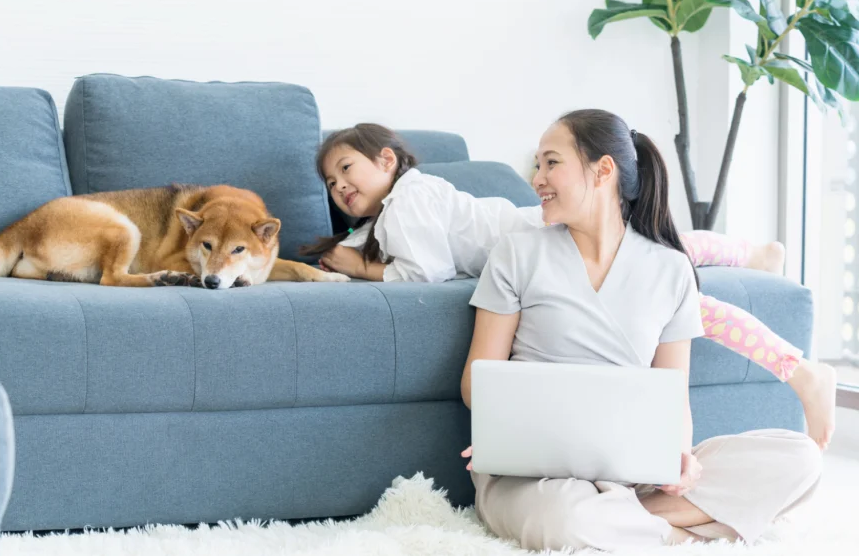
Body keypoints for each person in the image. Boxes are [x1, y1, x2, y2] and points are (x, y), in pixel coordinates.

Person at [303, 122, 837, 450]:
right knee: (664, 257)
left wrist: (359, 268)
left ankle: (788, 344)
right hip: (537, 251)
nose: (339, 185)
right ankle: (750, 255)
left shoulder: (409, 198)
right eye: (329, 181)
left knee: (672, 278)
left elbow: (424, 272)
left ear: (387, 160)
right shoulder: (382, 221)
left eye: (346, 168)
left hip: (540, 238)